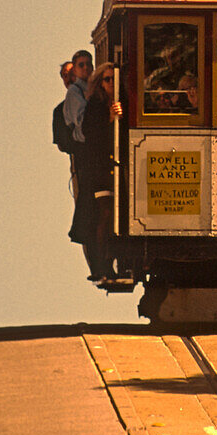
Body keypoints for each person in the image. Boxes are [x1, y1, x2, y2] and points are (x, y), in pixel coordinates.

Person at [82, 63, 122, 281]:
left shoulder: (122, 101)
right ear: (100, 83)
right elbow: (90, 134)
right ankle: (101, 266)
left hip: (116, 167)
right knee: (104, 215)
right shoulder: (94, 105)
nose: (111, 83)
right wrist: (109, 118)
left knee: (115, 218)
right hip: (99, 169)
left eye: (114, 79)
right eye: (107, 79)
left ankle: (110, 264)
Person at [63, 50, 98, 266]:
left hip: (95, 150)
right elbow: (83, 124)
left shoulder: (92, 88)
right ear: (75, 70)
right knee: (90, 202)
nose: (85, 68)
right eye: (81, 65)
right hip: (87, 152)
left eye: (88, 64)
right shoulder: (75, 93)